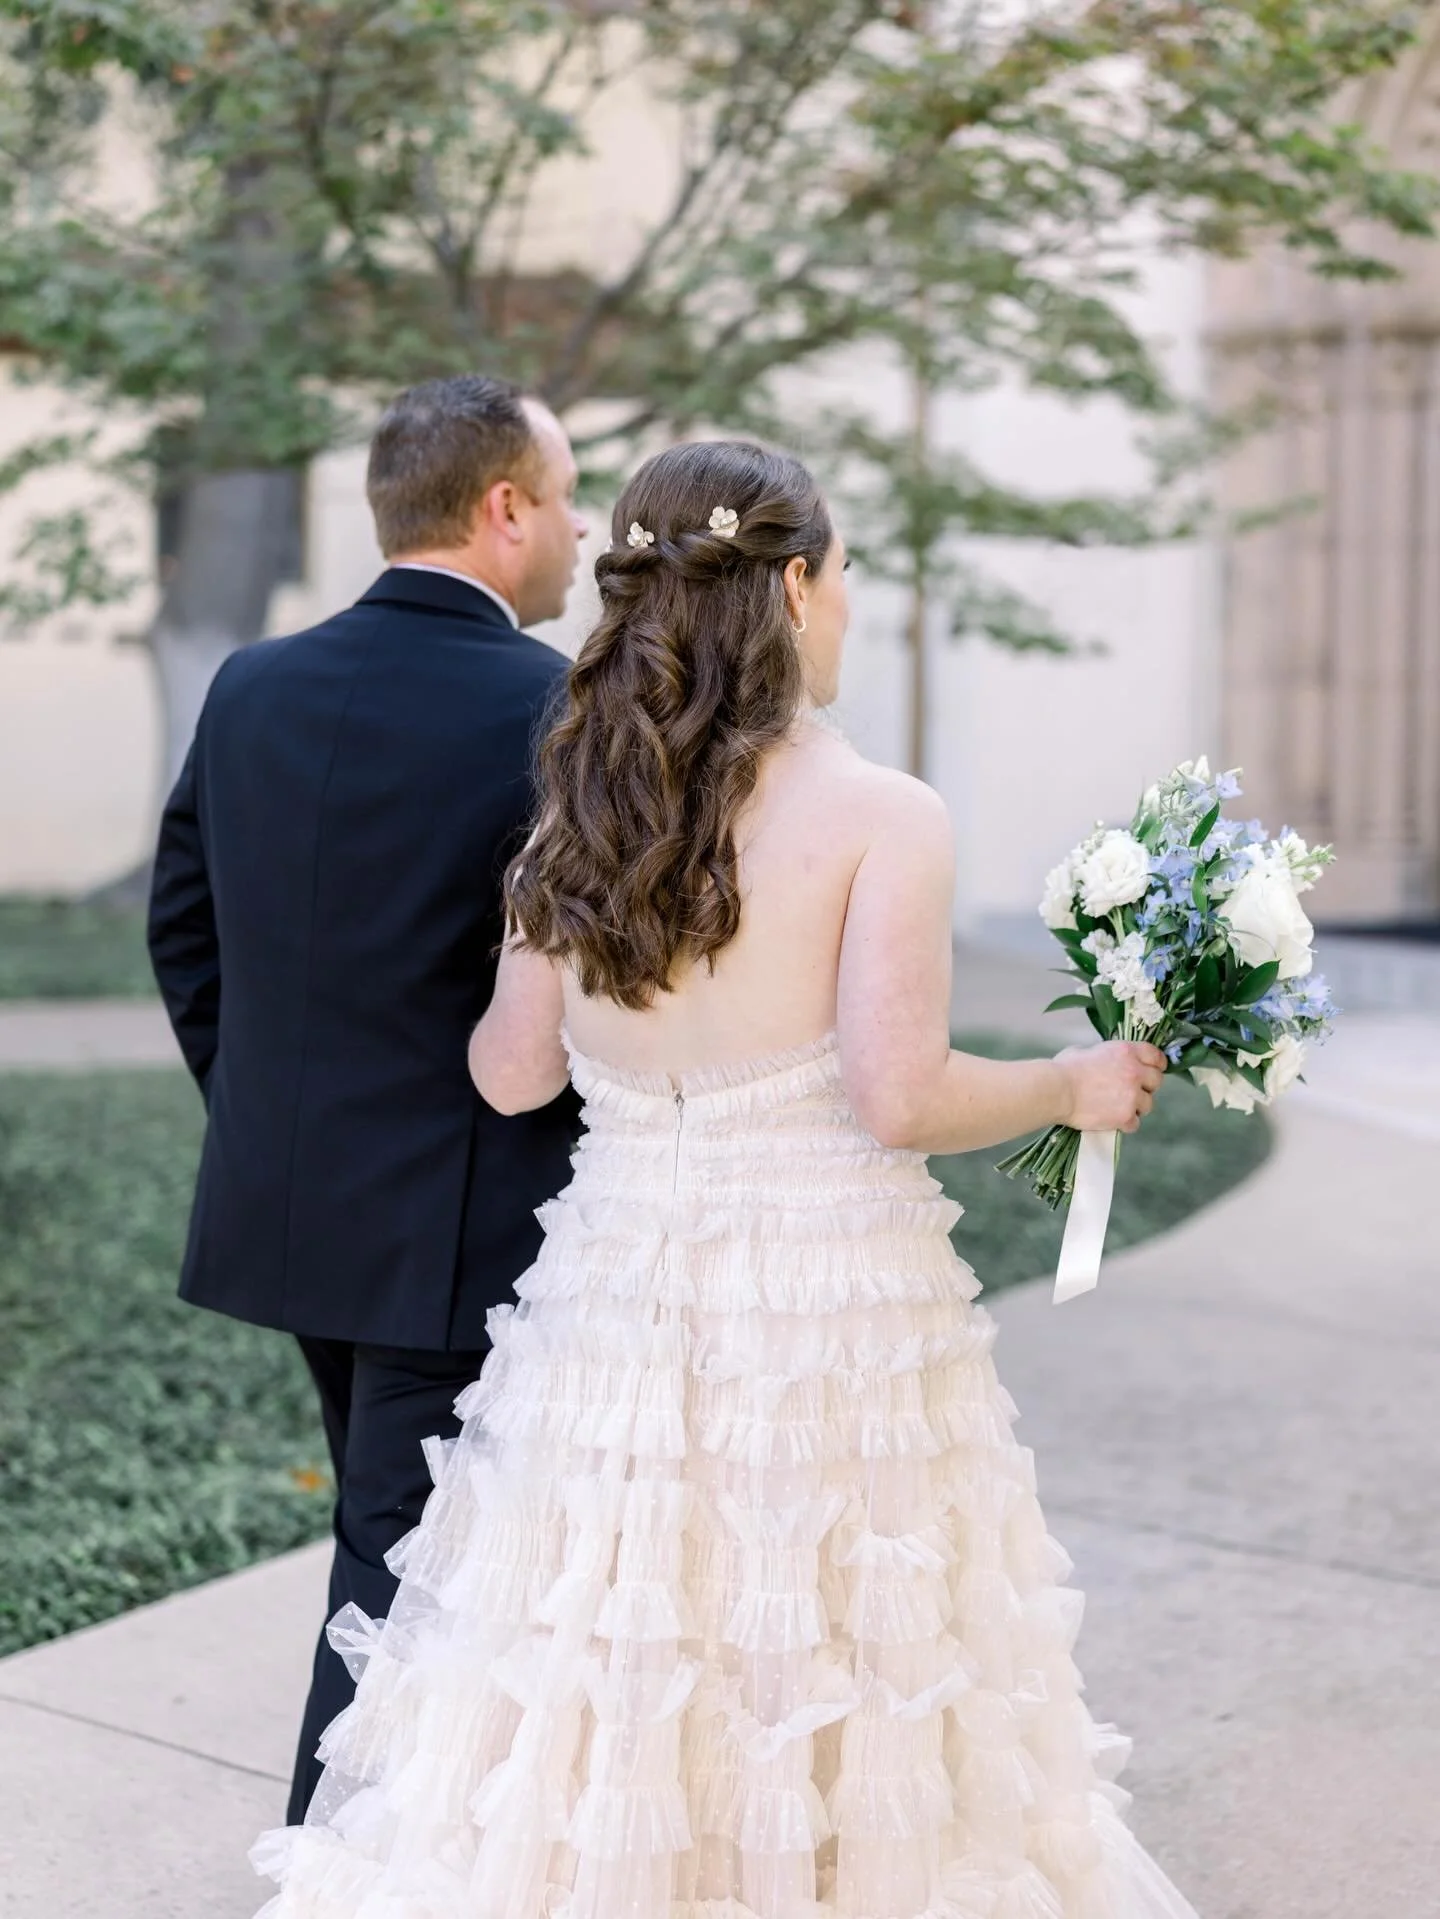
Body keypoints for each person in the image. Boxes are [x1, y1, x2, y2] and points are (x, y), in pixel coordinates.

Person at [251, 440, 1196, 1919]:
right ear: (799, 582)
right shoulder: (886, 814)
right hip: (826, 1299)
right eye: (847, 576)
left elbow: (513, 1073)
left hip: (614, 1296)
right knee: (822, 1660)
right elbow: (902, 1095)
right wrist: (1075, 1085)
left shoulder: (576, 810)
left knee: (617, 1658)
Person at [147, 374, 588, 1826]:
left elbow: (185, 929)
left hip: (296, 1218)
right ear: (503, 506)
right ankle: (330, 1862)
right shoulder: (557, 708)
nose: (581, 535)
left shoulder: (253, 685)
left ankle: (451, 1828)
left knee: (413, 1535)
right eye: (570, 497)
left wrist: (270, 1117)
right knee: (402, 1562)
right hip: (465, 1232)